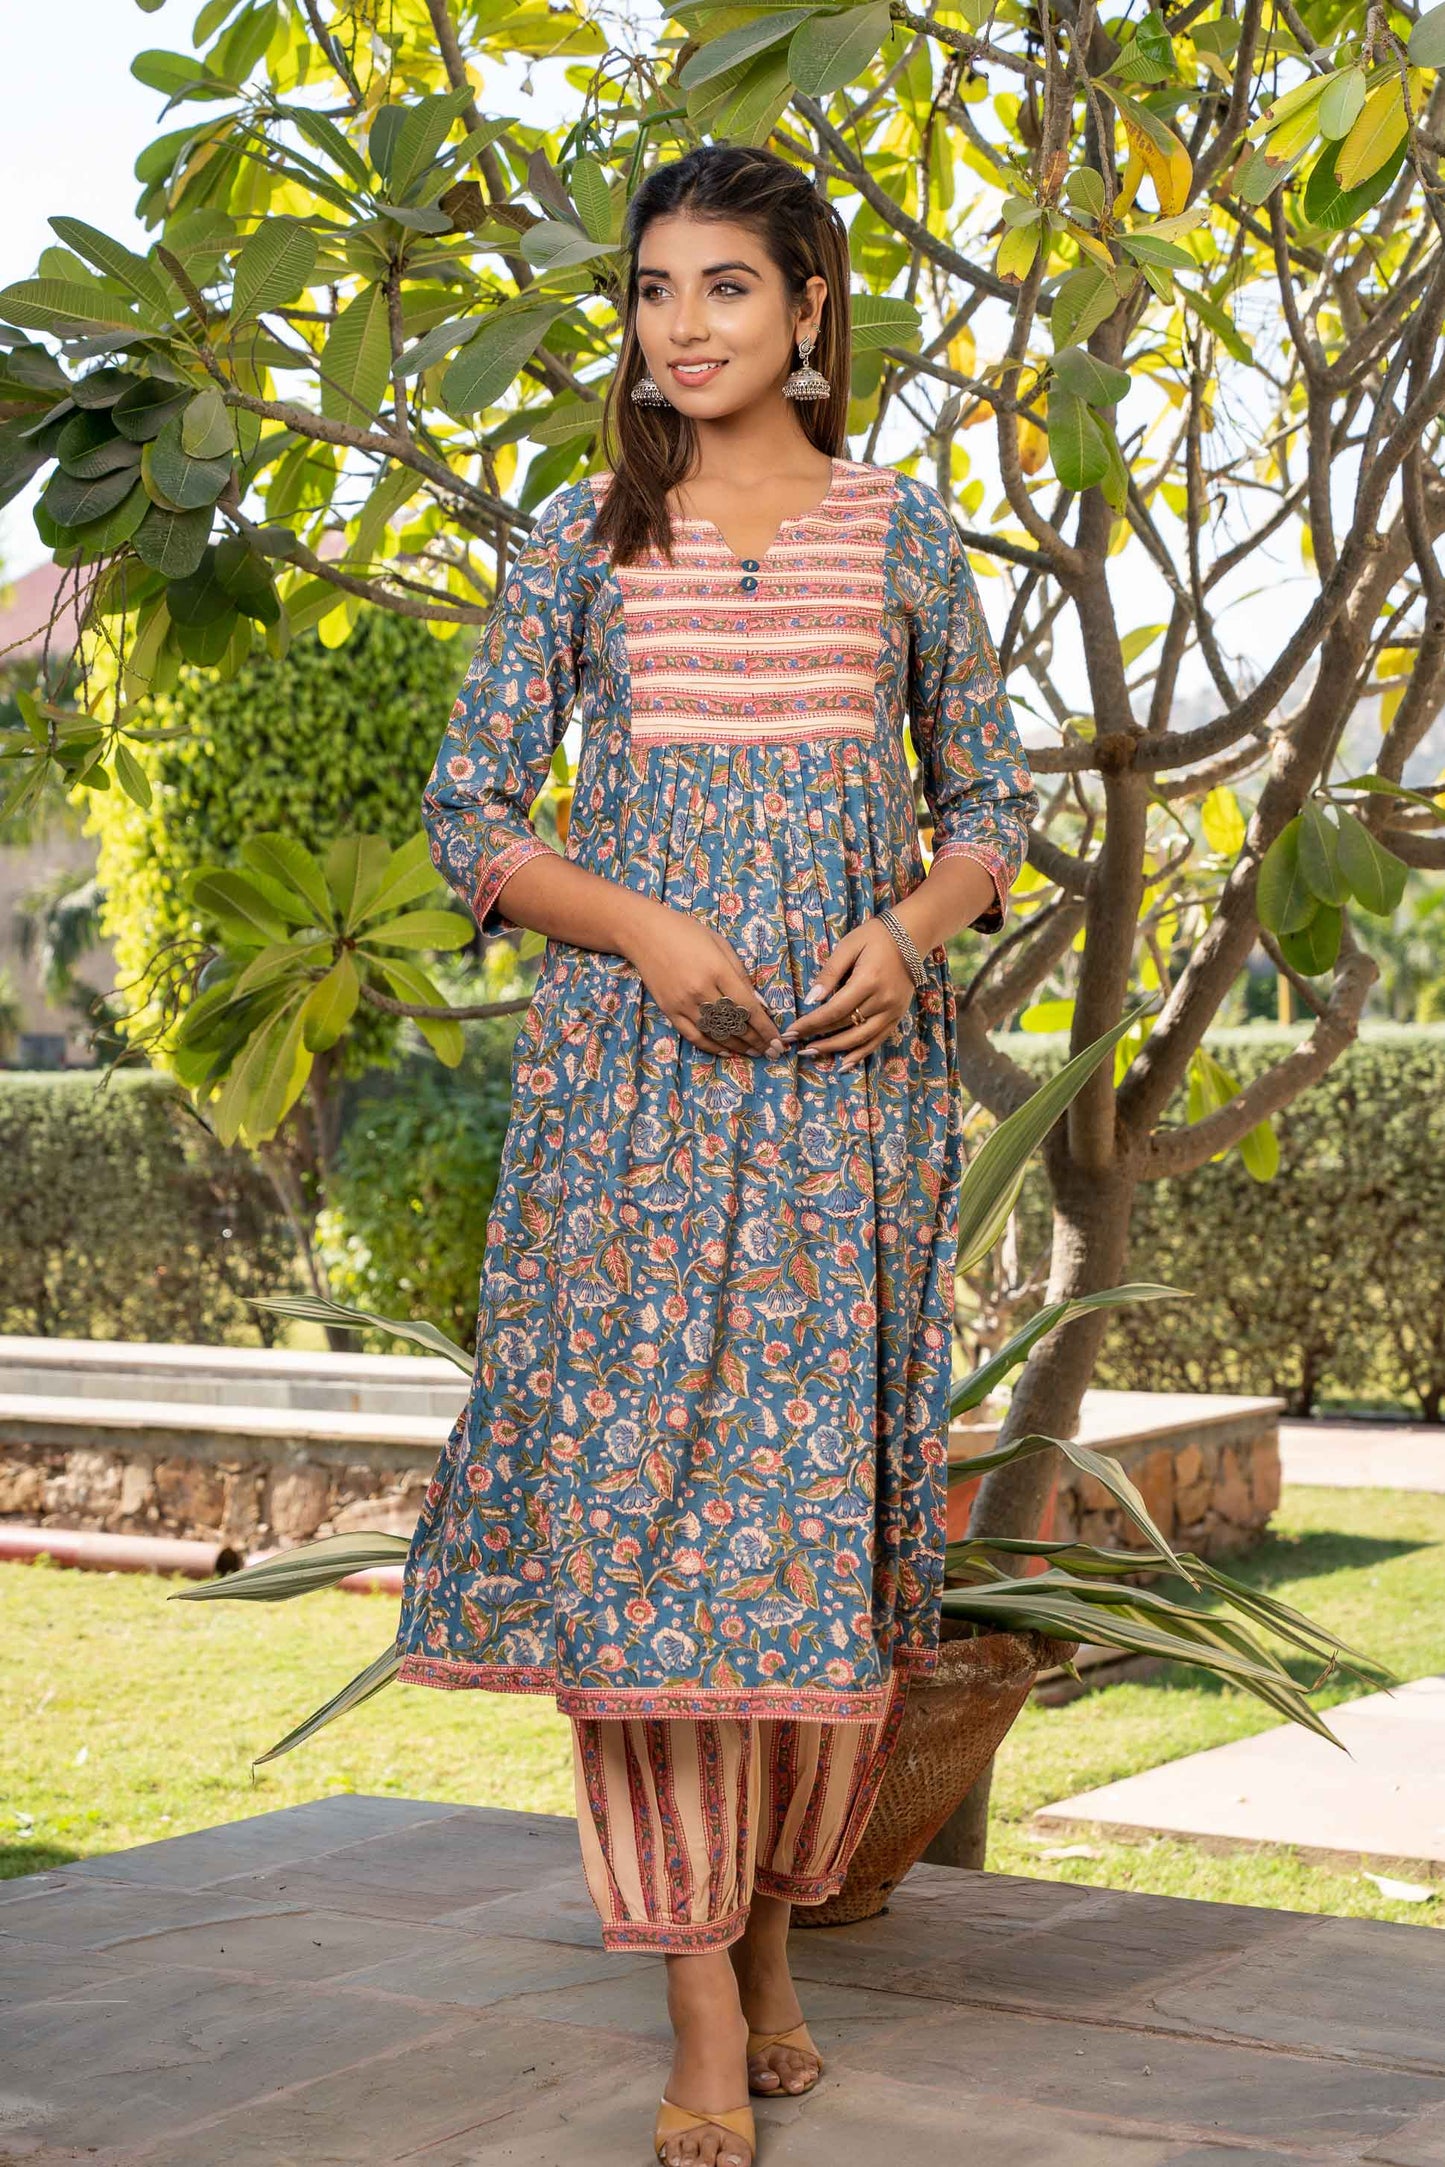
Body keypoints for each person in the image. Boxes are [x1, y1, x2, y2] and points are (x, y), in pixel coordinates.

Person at [395, 141, 1039, 2167]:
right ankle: (695, 1999)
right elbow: (470, 813)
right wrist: (647, 930)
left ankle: (764, 1935)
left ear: (809, 308)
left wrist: (908, 934)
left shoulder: (900, 533)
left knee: (792, 1545)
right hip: (633, 1123)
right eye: (655, 289)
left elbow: (992, 805)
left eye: (727, 287)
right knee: (649, 1544)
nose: (682, 325)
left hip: (845, 1121)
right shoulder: (582, 540)